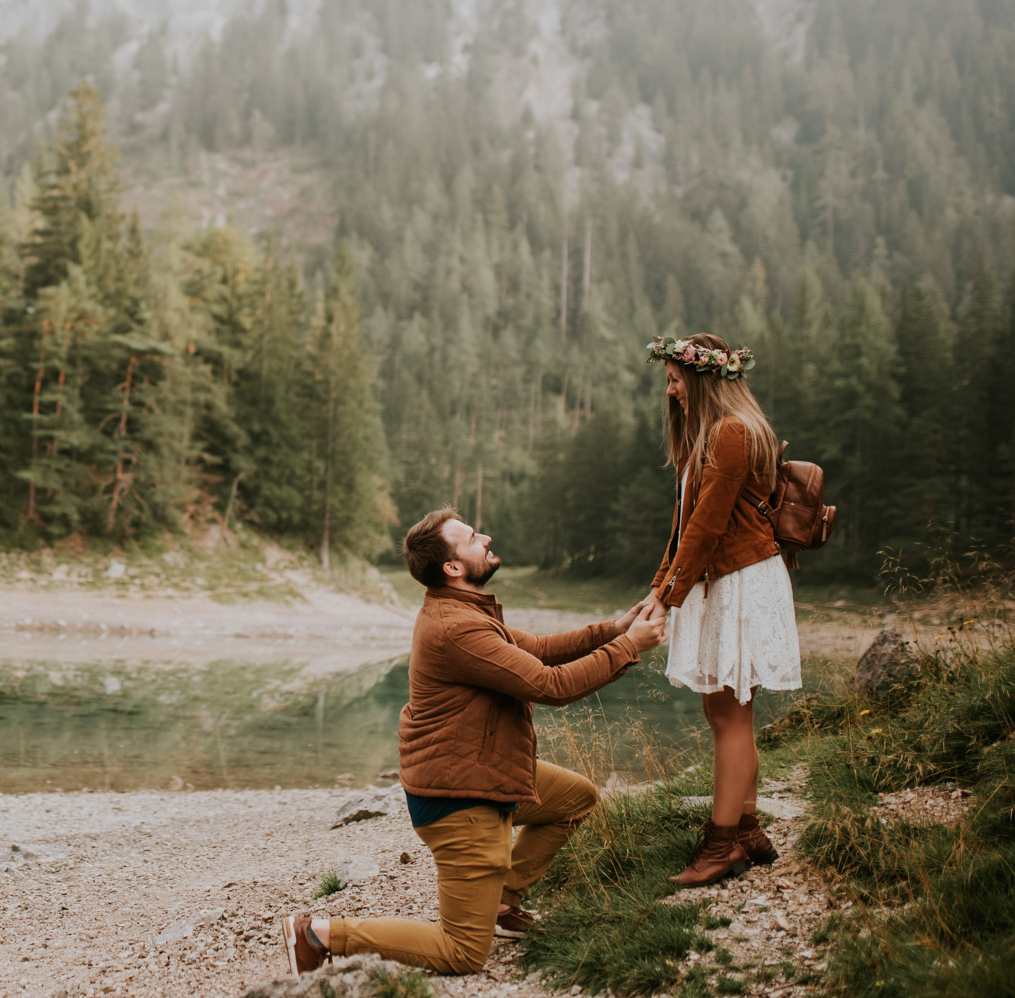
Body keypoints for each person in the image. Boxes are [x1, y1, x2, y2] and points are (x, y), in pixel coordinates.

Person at [282, 508, 666, 977]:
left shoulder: (466, 610)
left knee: (575, 799)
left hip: (480, 770)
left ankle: (502, 904)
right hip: (460, 796)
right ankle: (318, 933)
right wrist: (630, 648)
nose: (485, 537)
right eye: (470, 538)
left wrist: (615, 630)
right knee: (461, 952)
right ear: (452, 568)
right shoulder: (456, 628)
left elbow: (538, 650)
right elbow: (550, 685)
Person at [637, 333, 801, 887]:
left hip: (740, 581)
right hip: (720, 579)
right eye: (669, 382)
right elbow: (685, 527)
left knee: (730, 714)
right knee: (726, 712)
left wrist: (669, 599)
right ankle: (747, 825)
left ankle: (721, 844)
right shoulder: (713, 435)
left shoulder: (732, 433)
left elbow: (706, 527)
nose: (672, 391)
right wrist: (658, 590)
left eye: (677, 379)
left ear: (704, 378)